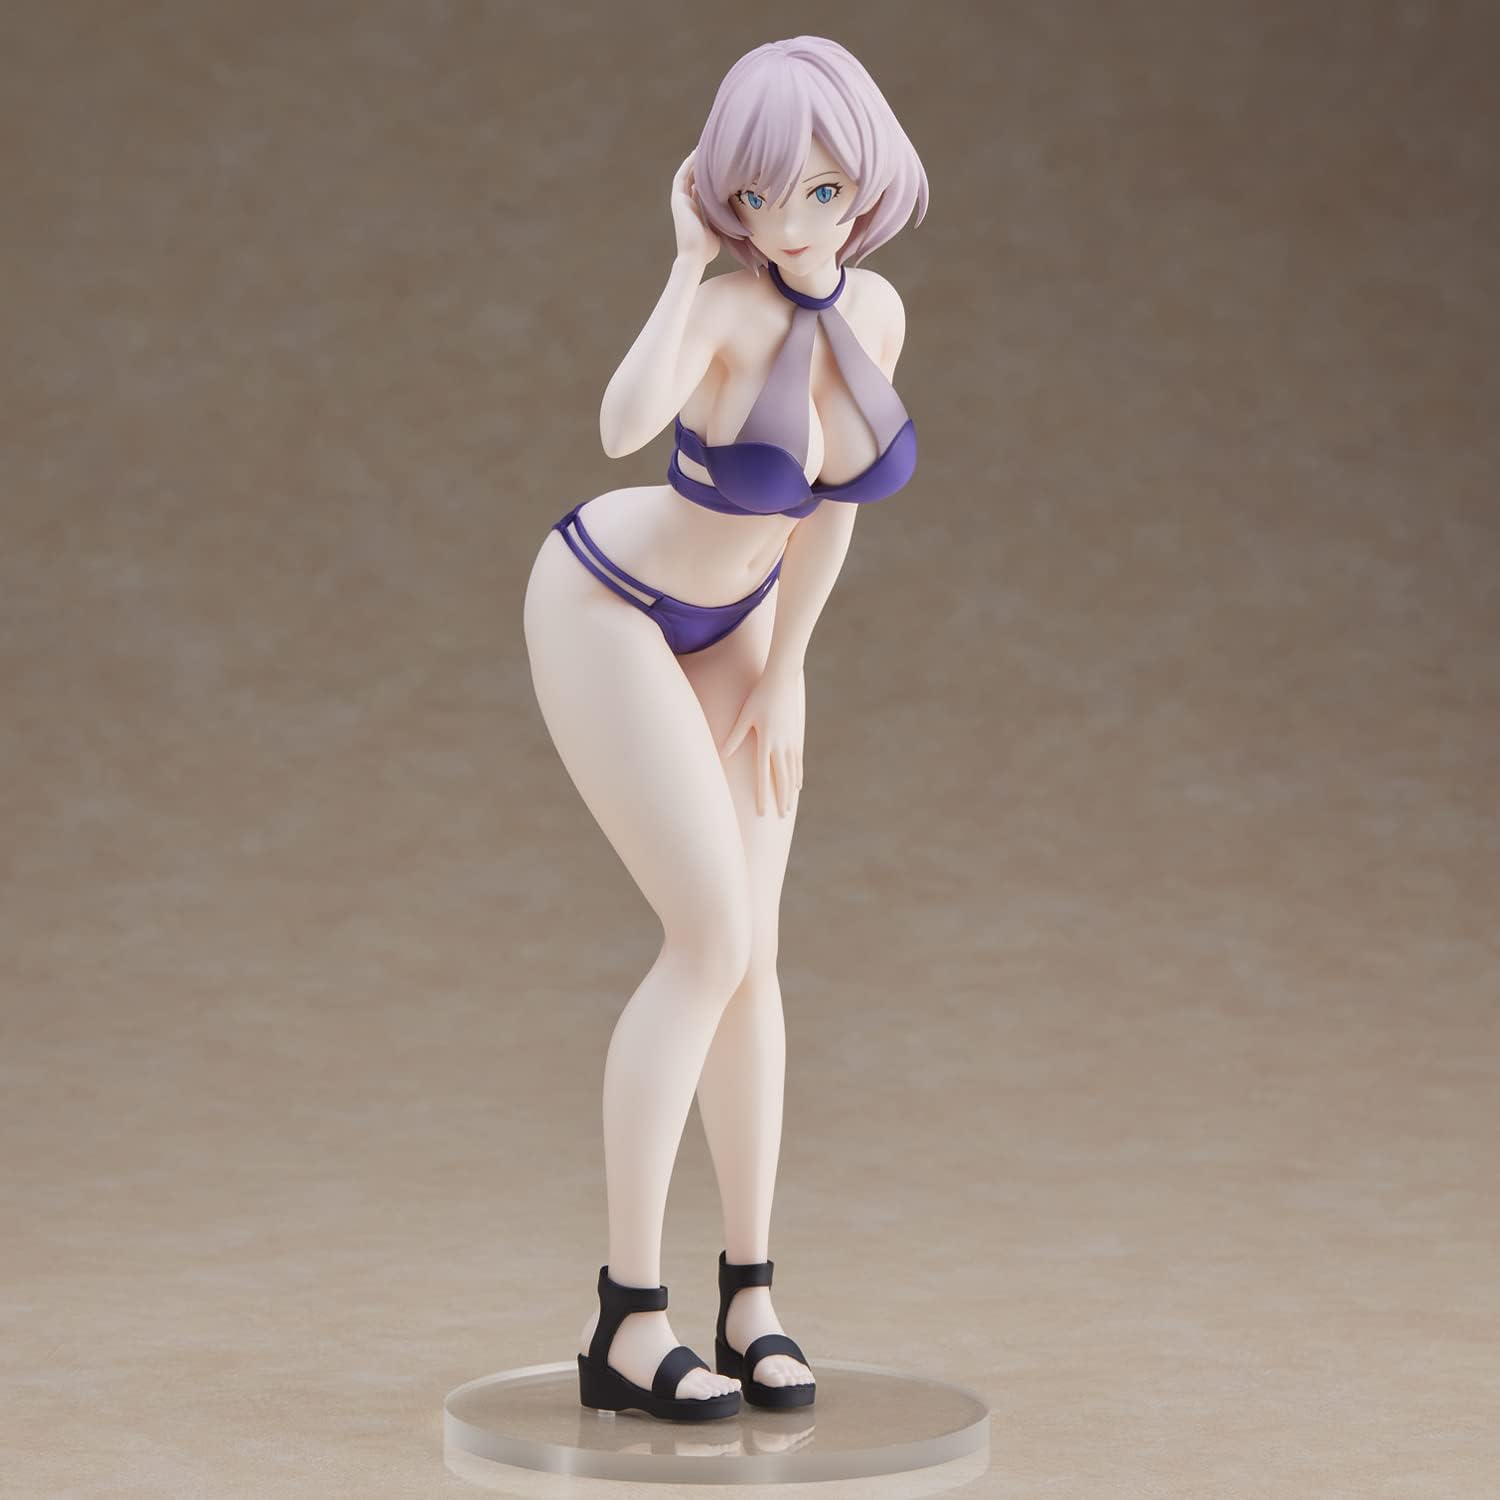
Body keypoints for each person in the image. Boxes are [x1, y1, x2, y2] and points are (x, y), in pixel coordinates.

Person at [522, 34, 928, 1423]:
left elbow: (832, 508)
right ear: (725, 196)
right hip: (608, 598)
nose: (792, 221)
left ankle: (750, 1295)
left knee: (757, 960)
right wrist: (682, 267)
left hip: (744, 619)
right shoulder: (720, 308)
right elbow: (621, 423)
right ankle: (626, 1319)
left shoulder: (876, 312)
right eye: (760, 194)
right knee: (706, 940)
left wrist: (789, 669)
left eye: (821, 192)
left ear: (864, 185)